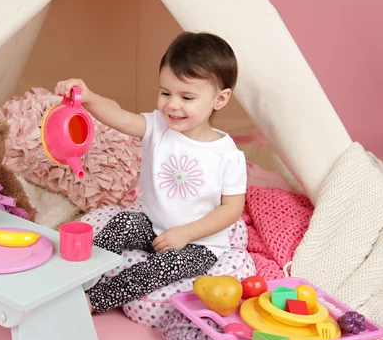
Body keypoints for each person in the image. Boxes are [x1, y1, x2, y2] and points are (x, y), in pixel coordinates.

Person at [55, 32, 248, 314]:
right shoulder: (158, 126)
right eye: (165, 93)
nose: (172, 105)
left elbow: (232, 209)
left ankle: (92, 301)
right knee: (122, 222)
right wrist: (89, 97)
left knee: (161, 267)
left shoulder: (227, 155)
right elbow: (119, 115)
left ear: (220, 99)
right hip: (153, 226)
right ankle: (74, 281)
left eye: (187, 97)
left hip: (197, 243)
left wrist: (185, 233)